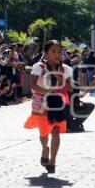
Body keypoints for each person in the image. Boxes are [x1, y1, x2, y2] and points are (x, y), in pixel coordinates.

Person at [24, 40, 73, 173]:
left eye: (59, 51)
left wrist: (59, 75)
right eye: (53, 51)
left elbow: (70, 87)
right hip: (42, 101)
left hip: (58, 103)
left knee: (56, 131)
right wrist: (47, 92)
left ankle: (52, 161)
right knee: (44, 132)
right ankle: (45, 149)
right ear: (46, 53)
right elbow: (33, 85)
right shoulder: (39, 66)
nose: (57, 54)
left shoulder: (66, 69)